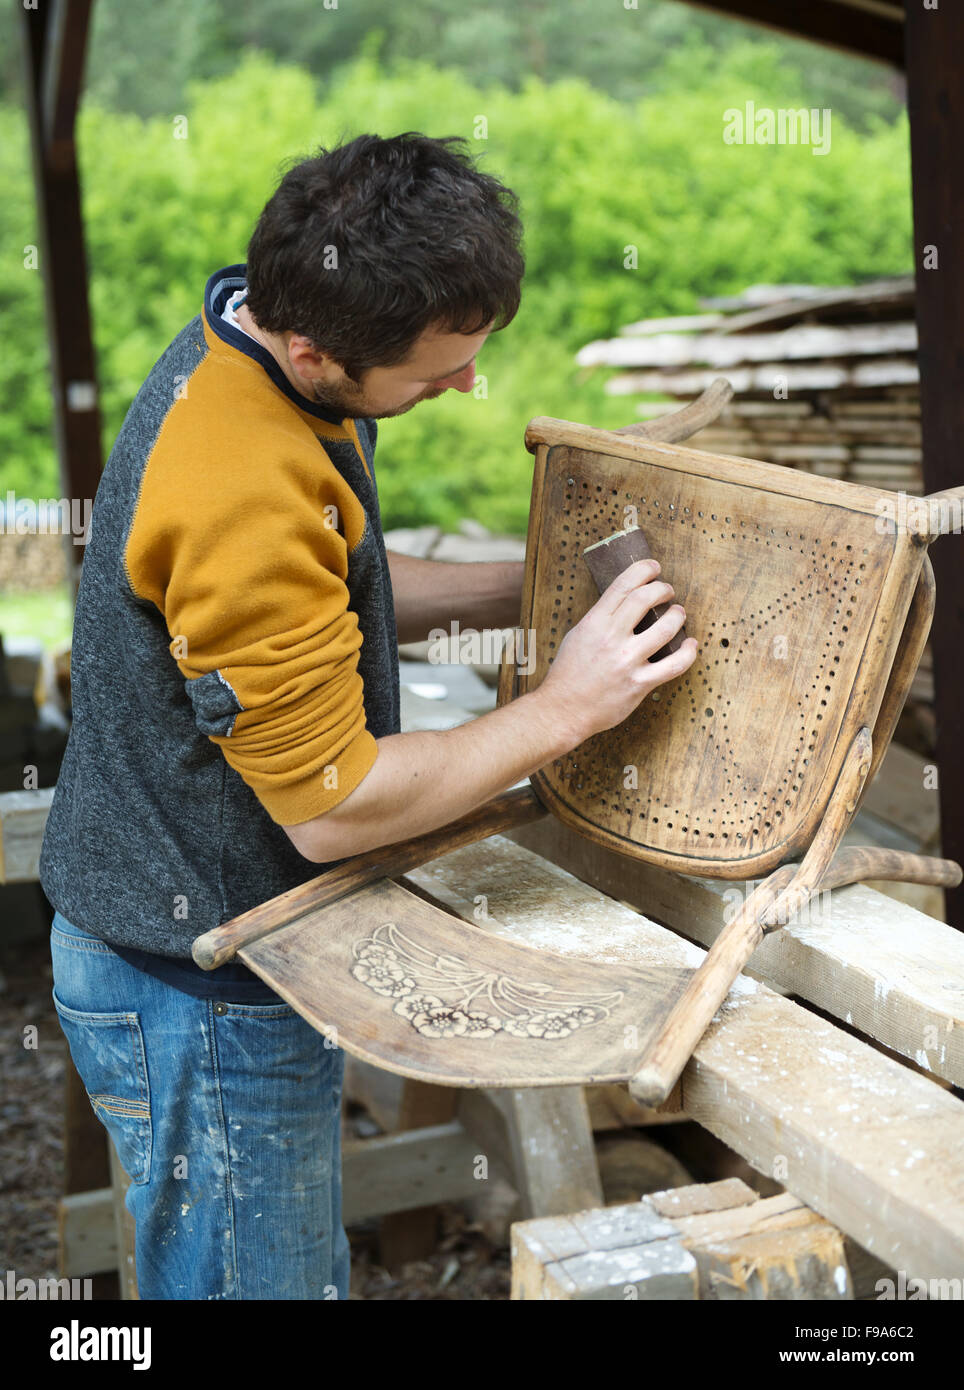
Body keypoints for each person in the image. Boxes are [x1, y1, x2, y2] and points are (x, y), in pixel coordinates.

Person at [40, 132, 697, 1299]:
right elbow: (336, 808)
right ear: (316, 349)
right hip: (197, 980)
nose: (462, 386)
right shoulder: (233, 479)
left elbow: (335, 569)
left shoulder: (262, 349)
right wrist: (569, 703)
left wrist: (527, 580)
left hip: (195, 927)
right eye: (439, 371)